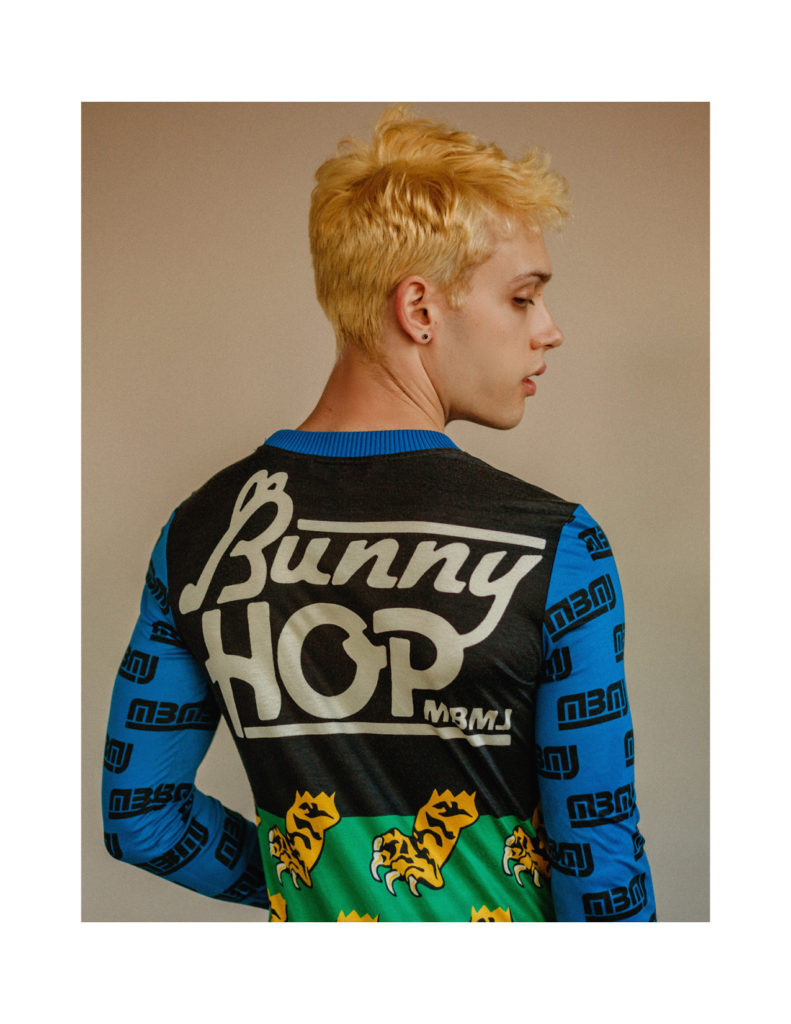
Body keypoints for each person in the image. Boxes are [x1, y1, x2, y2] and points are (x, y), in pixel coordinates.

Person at [101, 105, 656, 922]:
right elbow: (597, 859)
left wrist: (315, 878)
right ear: (420, 310)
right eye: (523, 298)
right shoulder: (557, 547)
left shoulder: (199, 535)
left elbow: (142, 820)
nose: (550, 331)